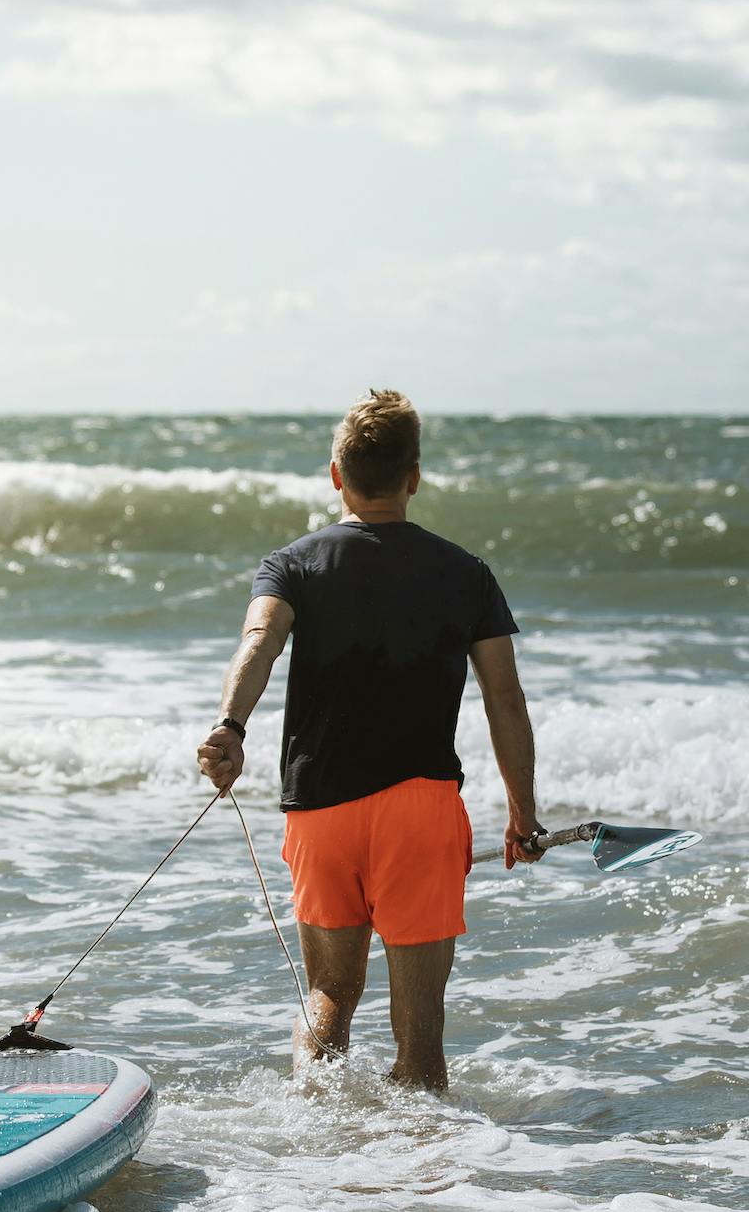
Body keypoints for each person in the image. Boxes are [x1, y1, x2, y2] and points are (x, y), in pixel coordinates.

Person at [197, 390, 539, 1091]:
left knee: (328, 997)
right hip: (421, 807)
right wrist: (521, 813)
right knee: (421, 1037)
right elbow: (505, 699)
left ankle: (312, 1143)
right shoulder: (465, 572)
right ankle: (420, 1178)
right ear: (413, 477)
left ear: (335, 475)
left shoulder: (292, 563)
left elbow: (259, 641)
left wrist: (230, 726)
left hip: (322, 811)